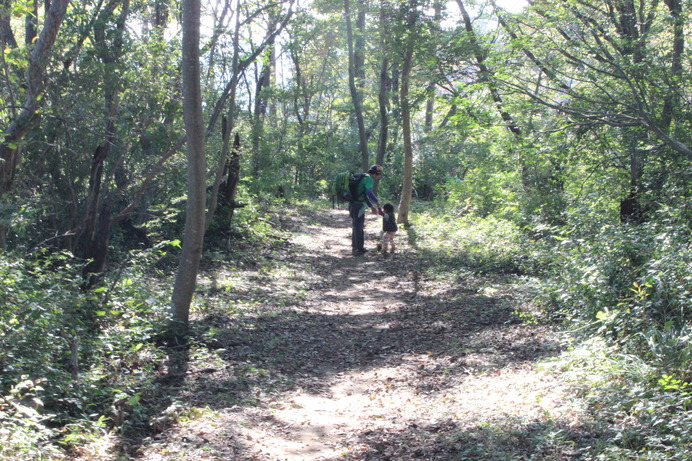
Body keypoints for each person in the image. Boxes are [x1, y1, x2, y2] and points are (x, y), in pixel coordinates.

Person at [349, 164, 384, 255]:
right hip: (358, 206)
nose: (379, 176)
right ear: (376, 174)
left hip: (352, 204)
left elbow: (364, 195)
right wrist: (377, 201)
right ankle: (359, 248)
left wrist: (371, 206)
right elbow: (368, 192)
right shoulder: (369, 179)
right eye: (379, 174)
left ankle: (355, 247)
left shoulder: (363, 177)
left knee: (356, 226)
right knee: (359, 226)